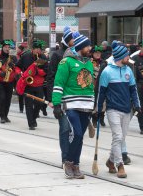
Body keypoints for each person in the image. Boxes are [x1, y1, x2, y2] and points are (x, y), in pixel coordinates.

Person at [51, 34, 93, 179]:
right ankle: (68, 162)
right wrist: (57, 104)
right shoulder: (66, 62)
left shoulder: (89, 63)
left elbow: (90, 86)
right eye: (88, 46)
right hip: (71, 105)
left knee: (80, 138)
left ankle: (76, 164)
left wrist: (95, 107)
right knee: (77, 133)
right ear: (81, 47)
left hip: (86, 105)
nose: (90, 48)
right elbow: (58, 83)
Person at [97, 41, 140, 178]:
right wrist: (98, 110)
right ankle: (119, 164)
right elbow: (101, 92)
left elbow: (133, 90)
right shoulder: (107, 72)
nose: (129, 58)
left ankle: (110, 161)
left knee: (121, 139)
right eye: (127, 56)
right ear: (121, 57)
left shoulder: (128, 70)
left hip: (126, 109)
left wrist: (137, 104)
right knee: (117, 136)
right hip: (112, 109)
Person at [47, 27, 79, 165]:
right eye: (72, 39)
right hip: (62, 98)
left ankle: (72, 156)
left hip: (76, 99)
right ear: (66, 40)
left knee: (76, 131)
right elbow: (52, 78)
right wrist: (53, 100)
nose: (74, 41)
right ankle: (65, 158)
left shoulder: (78, 54)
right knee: (65, 129)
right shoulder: (57, 55)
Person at [16, 39, 48, 130]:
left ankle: (33, 118)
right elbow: (17, 66)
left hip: (39, 84)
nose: (38, 51)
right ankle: (31, 123)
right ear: (32, 49)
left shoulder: (43, 58)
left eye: (39, 49)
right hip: (28, 84)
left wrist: (38, 71)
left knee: (39, 103)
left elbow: (46, 70)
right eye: (36, 49)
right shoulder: (25, 56)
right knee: (29, 105)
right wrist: (19, 74)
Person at [0, 40, 18, 123]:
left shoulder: (13, 57)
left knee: (8, 99)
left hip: (10, 81)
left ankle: (6, 115)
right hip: (0, 81)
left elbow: (17, 69)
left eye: (9, 47)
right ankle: (2, 117)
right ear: (2, 48)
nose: (7, 49)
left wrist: (13, 66)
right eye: (6, 47)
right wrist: (0, 73)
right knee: (2, 98)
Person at [90, 45, 106, 127]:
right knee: (94, 102)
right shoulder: (89, 62)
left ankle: (102, 118)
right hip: (93, 84)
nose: (97, 54)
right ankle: (94, 119)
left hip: (102, 84)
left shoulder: (104, 62)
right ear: (92, 53)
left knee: (103, 102)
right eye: (96, 53)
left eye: (99, 53)